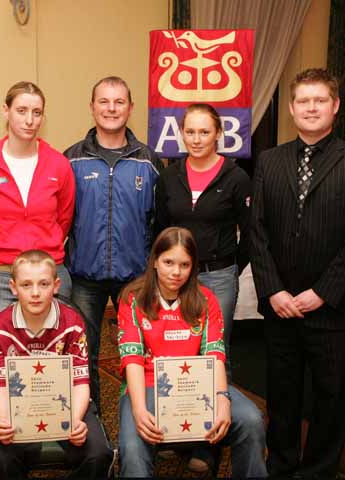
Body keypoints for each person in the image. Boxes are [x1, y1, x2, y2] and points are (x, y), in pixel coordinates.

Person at [250, 68, 345, 478]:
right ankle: (283, 465)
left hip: (332, 310)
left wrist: (322, 292)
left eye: (319, 100)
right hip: (281, 306)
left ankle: (318, 471)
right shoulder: (269, 162)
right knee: (283, 395)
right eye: (303, 101)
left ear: (335, 107)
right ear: (291, 108)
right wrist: (273, 291)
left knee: (331, 395)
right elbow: (257, 232)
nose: (311, 108)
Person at [0, 81, 75, 476]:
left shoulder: (58, 165)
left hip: (48, 273)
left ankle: (58, 447)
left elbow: (64, 217)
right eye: (22, 111)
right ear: (6, 111)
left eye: (36, 112)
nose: (29, 120)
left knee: (56, 361)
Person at [118, 227, 266, 478]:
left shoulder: (205, 299)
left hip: (198, 387)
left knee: (251, 419)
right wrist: (139, 410)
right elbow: (131, 359)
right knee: (132, 447)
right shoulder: (133, 298)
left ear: (193, 266)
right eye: (168, 262)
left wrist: (221, 399)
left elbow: (215, 356)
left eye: (184, 264)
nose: (176, 272)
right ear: (155, 261)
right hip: (148, 386)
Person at [64, 76, 163, 412]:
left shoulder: (148, 160)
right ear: (92, 107)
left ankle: (138, 425)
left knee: (139, 353)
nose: (111, 109)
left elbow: (159, 220)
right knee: (83, 354)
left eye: (119, 102)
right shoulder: (72, 160)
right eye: (104, 101)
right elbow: (62, 217)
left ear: (130, 108)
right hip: (84, 277)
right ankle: (90, 426)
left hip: (135, 278)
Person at [0, 250, 113, 479]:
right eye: (26, 285)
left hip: (69, 403)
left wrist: (75, 421)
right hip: (19, 407)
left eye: (43, 284)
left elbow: (81, 381)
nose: (35, 293)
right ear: (13, 288)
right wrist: (3, 418)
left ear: (56, 286)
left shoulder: (73, 323)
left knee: (99, 454)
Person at [155, 102, 251, 380]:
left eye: (205, 132)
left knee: (216, 351)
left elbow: (250, 233)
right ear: (182, 134)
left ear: (218, 133)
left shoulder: (236, 177)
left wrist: (229, 264)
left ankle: (221, 417)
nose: (197, 140)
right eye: (190, 132)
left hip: (218, 277)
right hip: (175, 277)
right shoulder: (169, 176)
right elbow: (161, 229)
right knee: (176, 348)